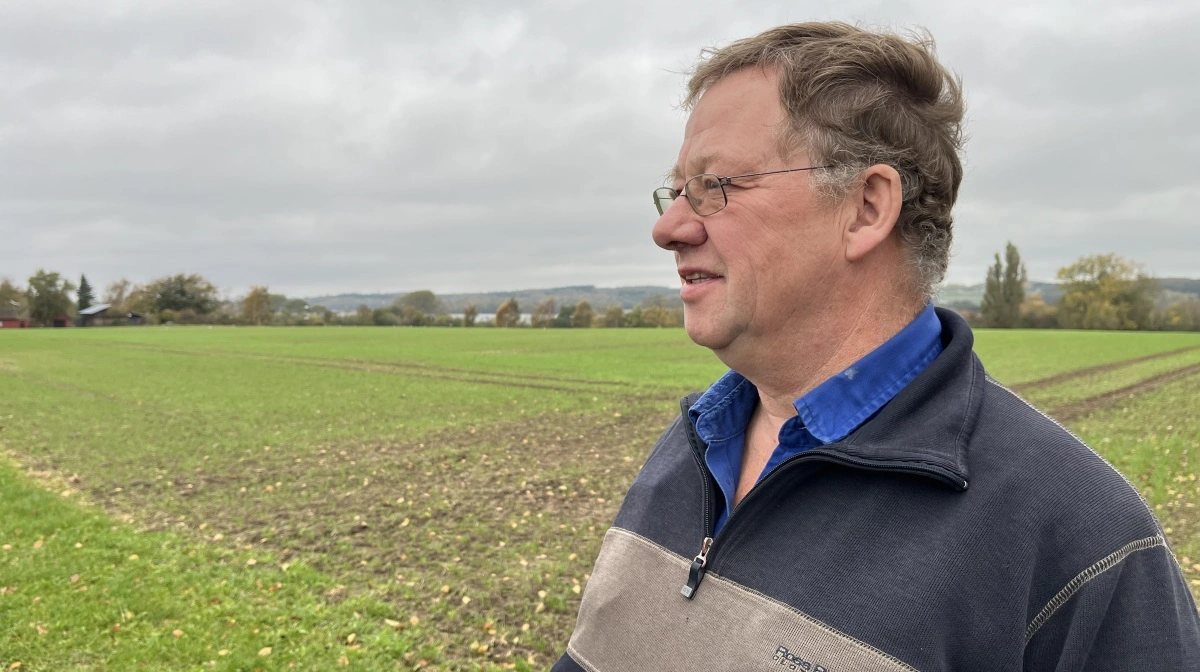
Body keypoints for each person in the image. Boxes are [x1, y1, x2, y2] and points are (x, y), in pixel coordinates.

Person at [553, 21, 1199, 671]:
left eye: (716, 185)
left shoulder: (1083, 544)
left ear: (866, 207)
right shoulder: (692, 446)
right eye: (677, 190)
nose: (668, 228)